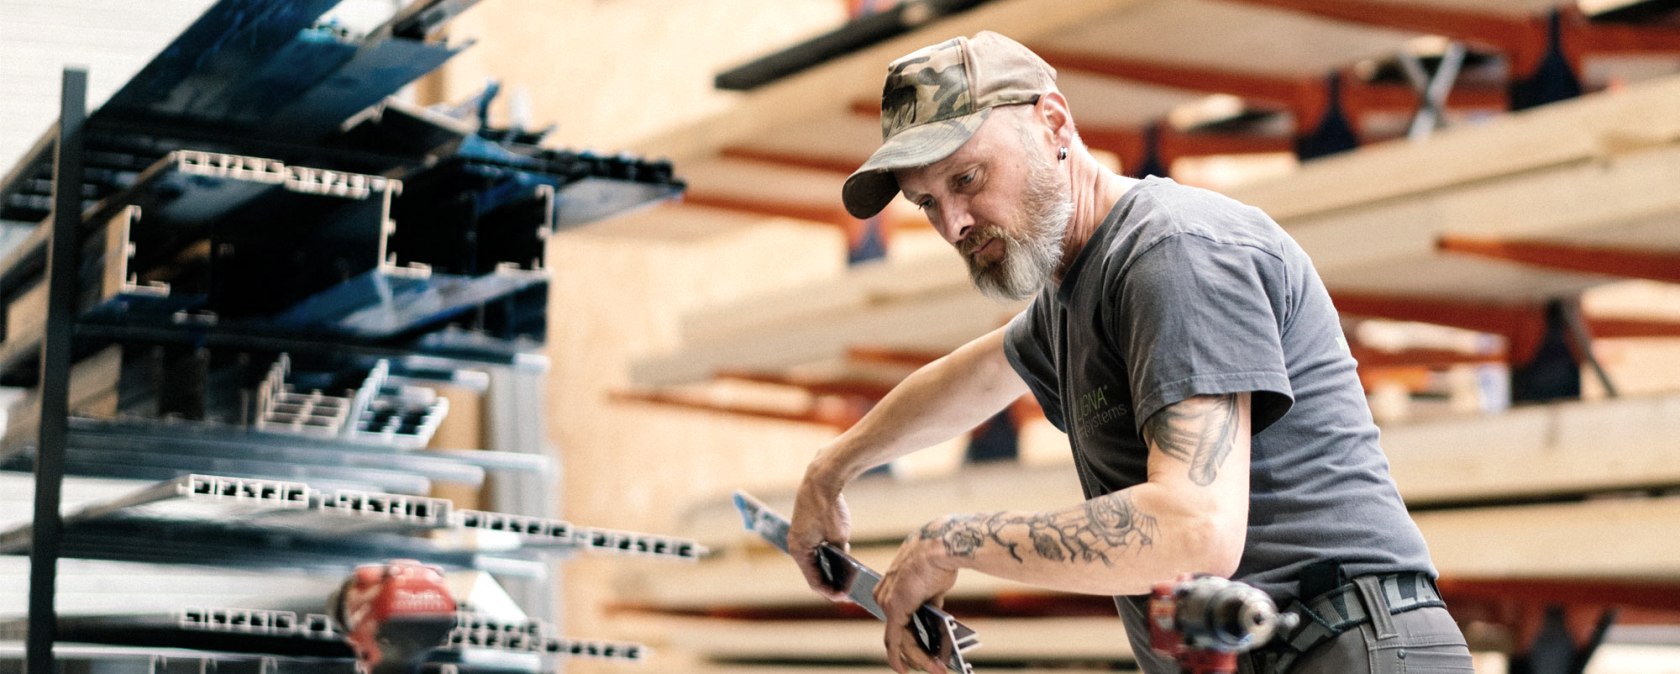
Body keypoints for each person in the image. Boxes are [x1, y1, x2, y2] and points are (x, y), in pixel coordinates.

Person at [787, 31, 1474, 674]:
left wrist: (952, 541)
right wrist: (831, 470)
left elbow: (1194, 529)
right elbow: (980, 375)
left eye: (966, 180)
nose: (955, 223)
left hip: (1343, 650)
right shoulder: (1078, 288)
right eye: (927, 203)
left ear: (1053, 125)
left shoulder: (1172, 254)